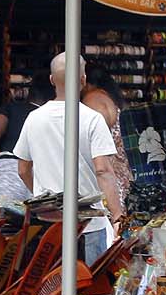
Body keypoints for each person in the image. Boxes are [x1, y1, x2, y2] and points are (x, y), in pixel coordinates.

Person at [15, 53, 125, 265]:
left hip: (49, 224)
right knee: (91, 291)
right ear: (83, 79)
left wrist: (43, 196)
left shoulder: (33, 119)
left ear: (51, 80)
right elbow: (103, 170)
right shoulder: (92, 119)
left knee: (52, 292)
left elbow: (23, 169)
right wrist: (117, 215)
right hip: (89, 225)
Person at [0, 77, 46, 209]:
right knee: (38, 226)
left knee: (0, 222)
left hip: (10, 171)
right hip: (42, 175)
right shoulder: (51, 117)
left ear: (29, 93)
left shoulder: (11, 108)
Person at [84, 62, 133, 204]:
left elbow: (95, 141)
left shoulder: (93, 100)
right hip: (121, 172)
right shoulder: (111, 99)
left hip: (107, 174)